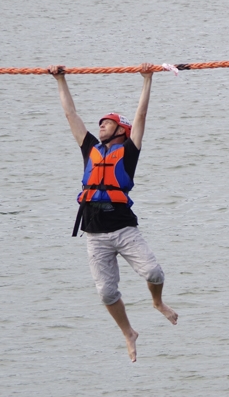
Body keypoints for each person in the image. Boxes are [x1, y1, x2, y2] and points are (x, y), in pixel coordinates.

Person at [48, 63, 178, 362]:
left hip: (123, 230)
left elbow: (141, 116)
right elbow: (71, 114)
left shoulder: (130, 151)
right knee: (107, 293)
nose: (100, 126)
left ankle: (157, 303)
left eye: (107, 123)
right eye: (101, 123)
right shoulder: (90, 148)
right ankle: (128, 333)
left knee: (154, 273)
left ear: (121, 130)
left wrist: (147, 80)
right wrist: (60, 80)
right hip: (94, 234)